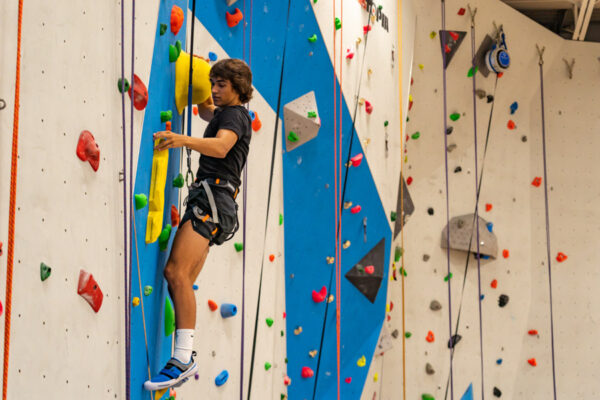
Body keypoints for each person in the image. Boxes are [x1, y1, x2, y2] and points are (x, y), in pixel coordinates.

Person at [144, 58, 253, 391]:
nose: (216, 90)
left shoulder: (235, 115)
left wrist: (180, 139)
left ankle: (183, 357)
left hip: (211, 199)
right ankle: (183, 355)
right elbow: (211, 118)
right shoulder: (226, 114)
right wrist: (203, 96)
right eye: (213, 83)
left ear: (238, 87)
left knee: (175, 273)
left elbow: (221, 146)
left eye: (221, 85)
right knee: (183, 279)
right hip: (215, 200)